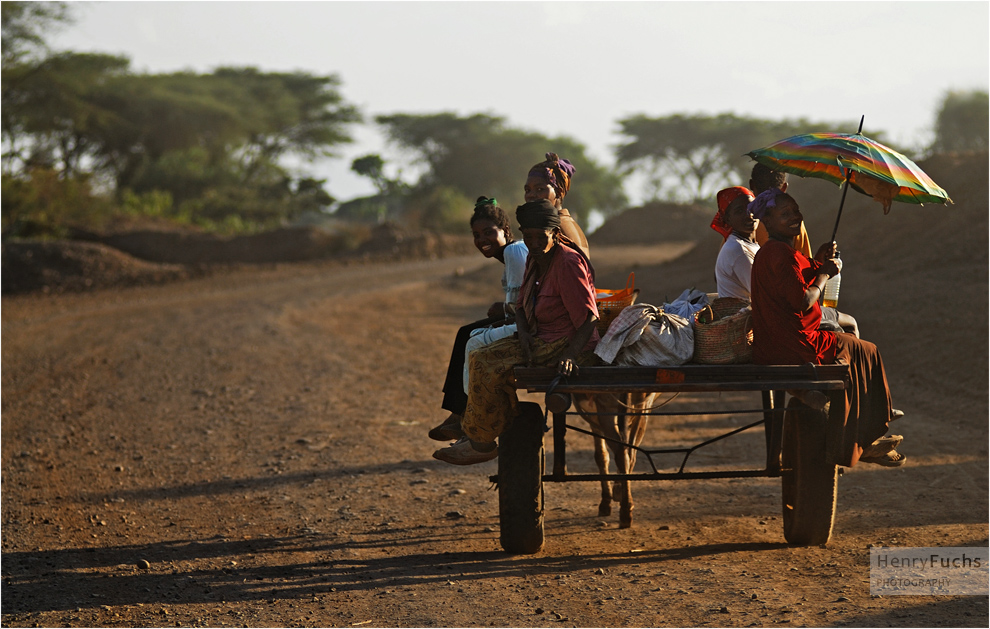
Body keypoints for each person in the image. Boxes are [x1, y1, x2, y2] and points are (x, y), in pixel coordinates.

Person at [433, 200, 601, 465]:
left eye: (540, 237)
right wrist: (522, 333)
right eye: (529, 236)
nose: (533, 242)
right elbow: (522, 306)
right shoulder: (536, 259)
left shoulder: (567, 263)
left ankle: (481, 442)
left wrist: (570, 355)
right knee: (480, 356)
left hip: (564, 342)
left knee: (486, 363)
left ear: (554, 234)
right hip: (539, 337)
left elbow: (590, 317)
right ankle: (486, 426)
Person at [749, 188, 905, 467]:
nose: (795, 217)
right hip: (795, 343)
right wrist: (824, 273)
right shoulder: (778, 253)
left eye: (796, 210)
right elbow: (804, 300)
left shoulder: (778, 251)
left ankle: (868, 418)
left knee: (850, 342)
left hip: (778, 341)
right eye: (785, 214)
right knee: (866, 349)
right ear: (768, 222)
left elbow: (795, 284)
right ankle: (866, 430)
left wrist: (819, 260)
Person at [428, 198, 529, 442]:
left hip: (529, 324)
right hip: (523, 319)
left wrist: (502, 308)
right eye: (476, 235)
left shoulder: (515, 252)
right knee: (464, 333)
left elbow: (520, 307)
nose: (482, 240)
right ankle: (458, 412)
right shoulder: (511, 254)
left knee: (469, 338)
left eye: (488, 233)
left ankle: (466, 416)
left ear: (505, 231)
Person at [524, 152, 590, 260]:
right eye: (527, 190)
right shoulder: (563, 223)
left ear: (558, 192)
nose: (531, 195)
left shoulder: (556, 230)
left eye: (540, 189)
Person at [750, 163, 813, 258]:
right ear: (784, 187)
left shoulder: (741, 221)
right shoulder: (794, 221)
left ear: (751, 185)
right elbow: (807, 263)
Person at [711, 186, 759, 300]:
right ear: (727, 219)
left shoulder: (749, 245)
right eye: (739, 211)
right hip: (743, 316)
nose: (749, 214)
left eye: (751, 207)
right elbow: (762, 295)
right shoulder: (738, 251)